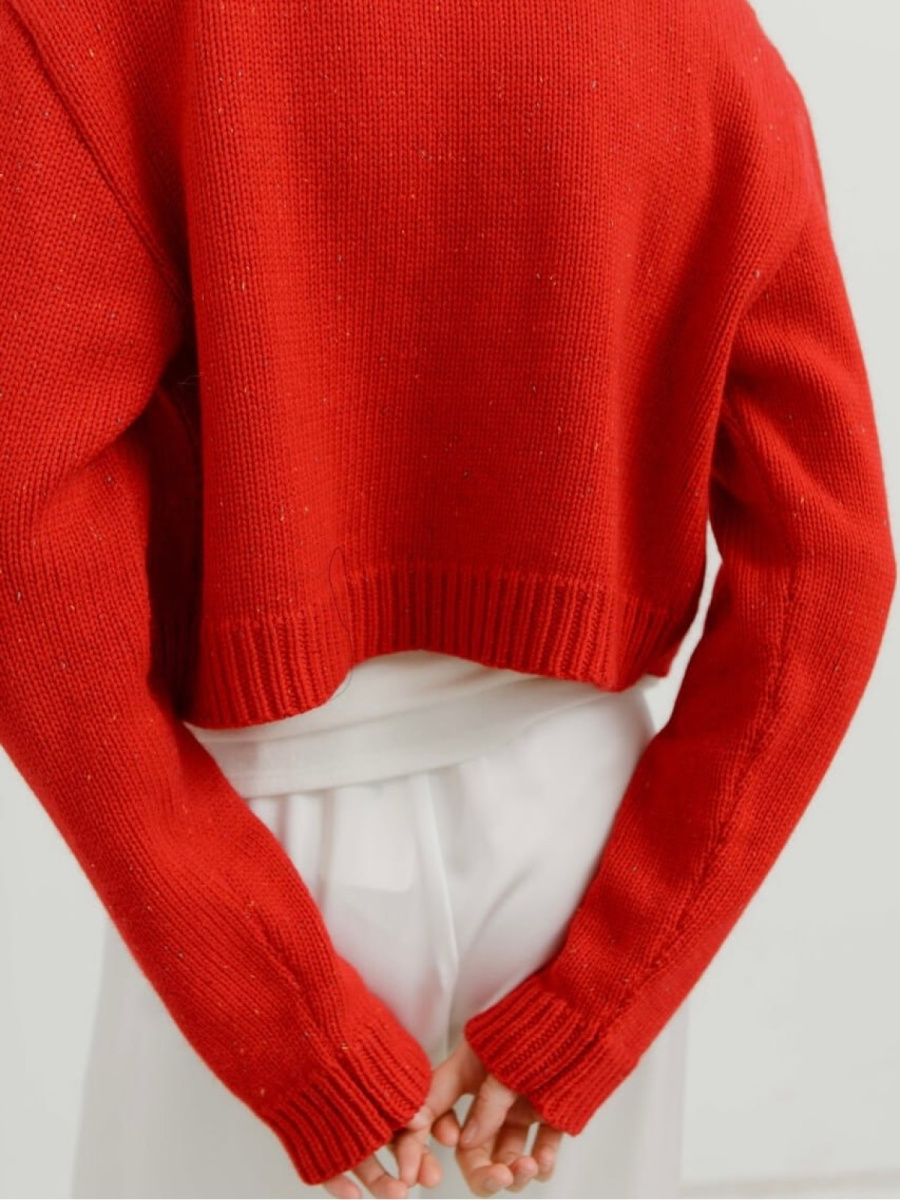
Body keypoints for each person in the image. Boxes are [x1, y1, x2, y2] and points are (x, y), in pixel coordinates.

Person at [0, 1, 894, 1198]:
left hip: (247, 832)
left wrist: (256, 991)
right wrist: (608, 987)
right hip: (583, 836)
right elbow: (831, 558)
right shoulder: (695, 31)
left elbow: (22, 537)